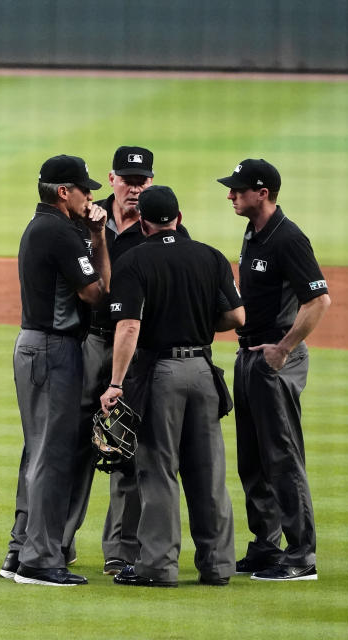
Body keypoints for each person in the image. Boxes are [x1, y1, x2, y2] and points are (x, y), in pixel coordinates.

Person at [99, 185, 243, 587]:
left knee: (158, 469)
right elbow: (236, 316)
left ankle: (158, 566)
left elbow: (129, 325)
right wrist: (196, 324)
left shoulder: (134, 260)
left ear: (143, 222)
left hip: (161, 373)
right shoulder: (210, 256)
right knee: (208, 470)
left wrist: (114, 383)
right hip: (203, 371)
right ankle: (218, 566)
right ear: (178, 218)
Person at [217, 159, 331, 582]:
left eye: (238, 189)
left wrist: (284, 349)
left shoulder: (288, 239)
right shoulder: (253, 232)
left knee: (282, 457)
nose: (231, 194)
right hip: (249, 357)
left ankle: (302, 554)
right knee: (253, 458)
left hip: (274, 360)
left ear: (262, 193)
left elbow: (319, 301)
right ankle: (266, 546)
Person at [0, 155, 110, 587]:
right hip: (54, 349)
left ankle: (21, 549)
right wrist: (99, 238)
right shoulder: (61, 231)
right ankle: (41, 560)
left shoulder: (42, 225)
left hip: (35, 346)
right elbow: (96, 294)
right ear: (64, 192)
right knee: (52, 455)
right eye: (85, 189)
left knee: (38, 451)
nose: (91, 196)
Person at [63, 146, 156, 576]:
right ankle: (58, 542)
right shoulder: (83, 216)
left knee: (125, 446)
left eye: (142, 180)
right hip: (91, 341)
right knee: (76, 445)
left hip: (134, 349)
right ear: (112, 178)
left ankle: (121, 550)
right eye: (127, 179)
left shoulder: (162, 223)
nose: (135, 187)